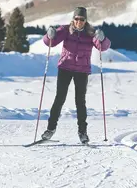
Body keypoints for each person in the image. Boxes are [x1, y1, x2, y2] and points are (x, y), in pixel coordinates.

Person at [41, 7, 111, 143]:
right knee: (59, 99)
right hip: (65, 68)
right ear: (73, 19)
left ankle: (82, 132)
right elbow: (51, 42)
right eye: (77, 19)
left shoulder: (91, 33)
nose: (79, 21)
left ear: (85, 20)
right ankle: (50, 129)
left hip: (82, 70)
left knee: (80, 101)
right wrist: (48, 35)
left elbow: (103, 47)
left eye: (82, 19)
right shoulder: (66, 30)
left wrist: (102, 39)